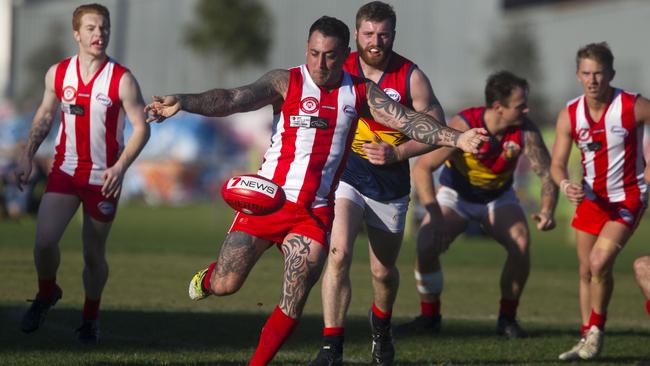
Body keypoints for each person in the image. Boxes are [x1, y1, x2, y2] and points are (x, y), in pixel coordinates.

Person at [145, 16, 487, 366]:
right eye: (314, 53)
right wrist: (182, 101)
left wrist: (457, 138)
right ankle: (211, 278)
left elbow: (408, 120)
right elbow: (233, 98)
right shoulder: (285, 81)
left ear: (345, 54)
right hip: (267, 202)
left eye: (330, 56)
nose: (320, 64)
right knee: (227, 284)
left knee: (295, 295)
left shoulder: (360, 92)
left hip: (314, 212)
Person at [308, 3, 444, 366]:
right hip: (347, 176)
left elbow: (435, 130)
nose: (375, 41)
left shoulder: (410, 76)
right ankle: (331, 347)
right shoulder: (341, 67)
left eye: (383, 34)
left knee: (383, 272)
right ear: (356, 35)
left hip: (390, 184)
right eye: (368, 33)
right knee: (338, 253)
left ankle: (381, 332)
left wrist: (398, 154)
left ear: (393, 35)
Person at [15, 3, 150, 343]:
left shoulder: (122, 79)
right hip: (65, 171)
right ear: (76, 34)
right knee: (44, 243)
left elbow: (140, 128)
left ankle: (90, 318)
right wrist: (27, 155)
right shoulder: (58, 74)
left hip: (103, 177)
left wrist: (120, 167)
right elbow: (45, 116)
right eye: (91, 28)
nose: (98, 34)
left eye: (103, 28)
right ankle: (47, 292)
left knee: (93, 254)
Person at [395, 71, 558, 339]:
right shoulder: (464, 124)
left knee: (521, 243)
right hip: (455, 195)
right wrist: (435, 216)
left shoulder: (525, 130)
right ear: (497, 107)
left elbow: (547, 174)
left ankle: (507, 319)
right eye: (520, 105)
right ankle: (429, 316)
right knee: (426, 243)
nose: (526, 110)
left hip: (498, 197)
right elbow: (423, 168)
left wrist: (547, 209)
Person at [552, 42, 650, 361]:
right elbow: (557, 164)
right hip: (592, 200)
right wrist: (565, 183)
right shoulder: (570, 114)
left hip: (627, 197)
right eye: (586, 73)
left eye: (599, 73)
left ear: (611, 74)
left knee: (598, 263)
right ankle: (587, 338)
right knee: (586, 270)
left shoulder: (632, 105)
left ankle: (596, 331)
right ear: (578, 75)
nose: (593, 80)